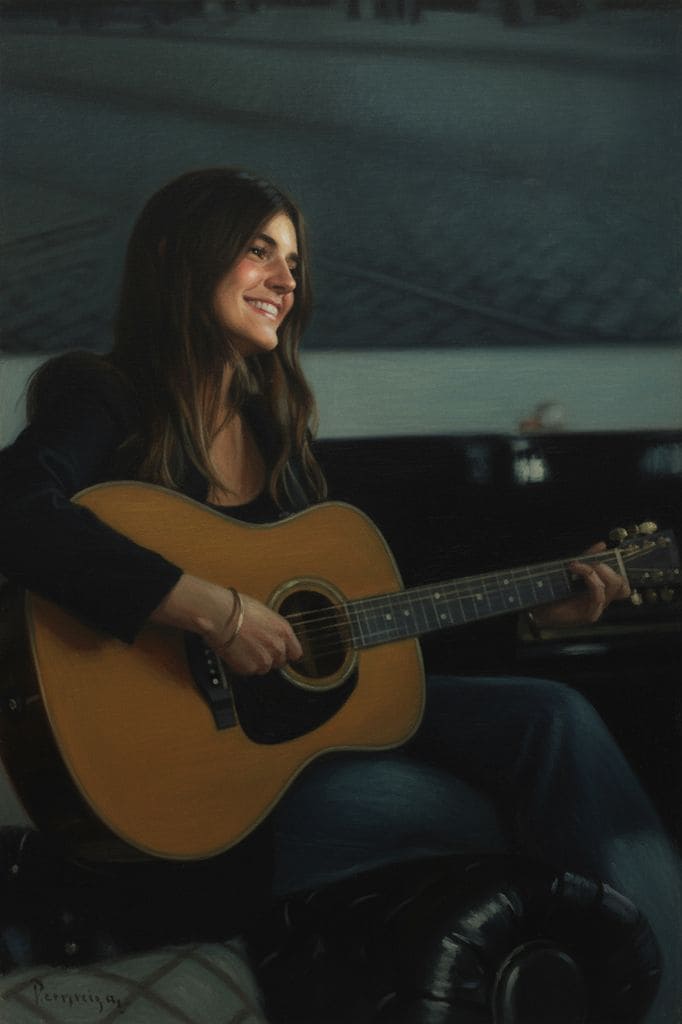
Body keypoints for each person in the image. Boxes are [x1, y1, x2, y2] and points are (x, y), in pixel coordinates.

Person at [0, 168, 680, 1021]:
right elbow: (14, 508)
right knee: (469, 807)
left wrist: (537, 609)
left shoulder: (277, 431)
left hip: (297, 740)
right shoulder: (105, 395)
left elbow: (358, 643)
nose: (288, 280)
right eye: (259, 251)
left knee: (554, 716)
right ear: (176, 256)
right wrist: (210, 608)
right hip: (196, 789)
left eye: (293, 258)